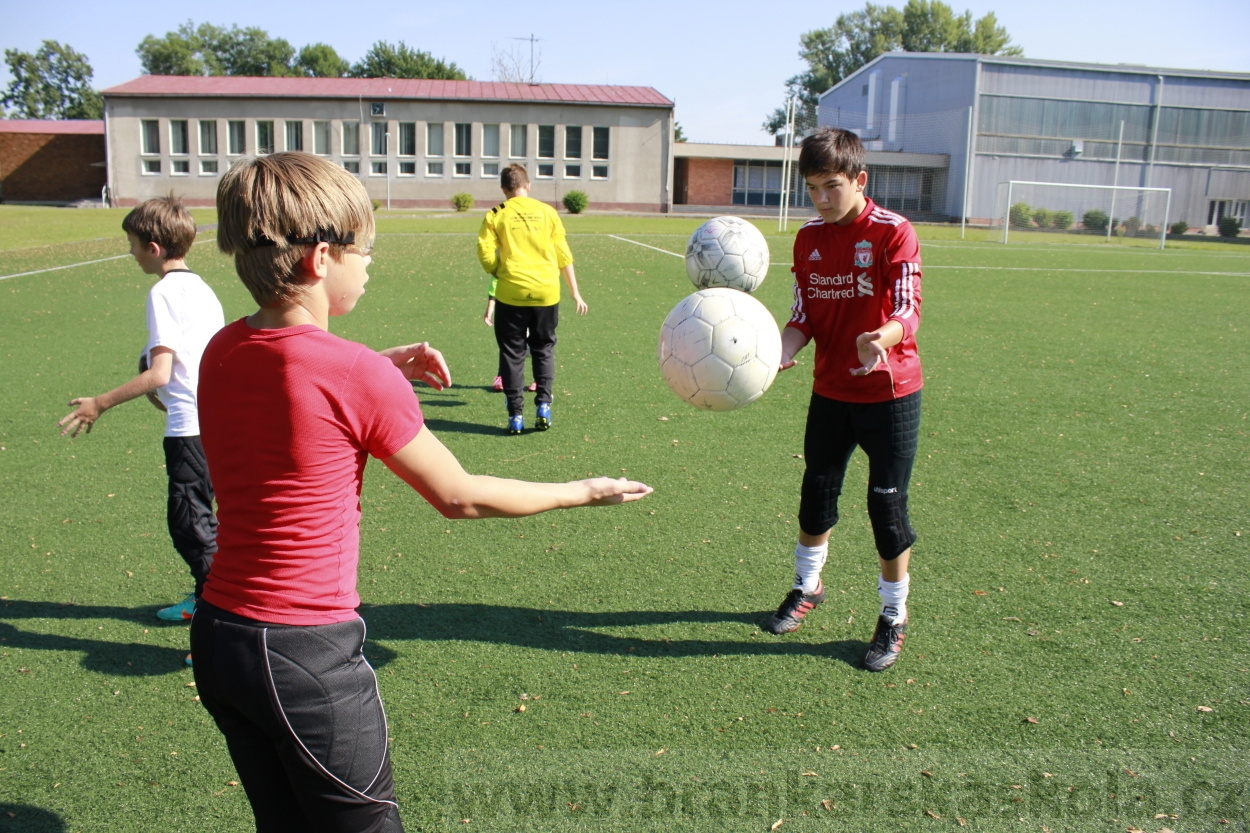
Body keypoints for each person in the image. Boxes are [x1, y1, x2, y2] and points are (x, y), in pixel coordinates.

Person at [194, 151, 651, 832]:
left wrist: (379, 365)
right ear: (321, 258)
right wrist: (582, 490)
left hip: (220, 639)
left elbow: (292, 386)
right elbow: (458, 495)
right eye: (363, 249)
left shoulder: (221, 349)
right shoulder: (352, 374)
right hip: (304, 654)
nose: (369, 263)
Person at [765, 127, 924, 673]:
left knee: (886, 508)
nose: (821, 199)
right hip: (831, 391)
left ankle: (893, 616)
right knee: (817, 493)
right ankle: (807, 586)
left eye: (831, 186)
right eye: (812, 188)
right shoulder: (807, 239)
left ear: (859, 179)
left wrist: (881, 339)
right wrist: (779, 351)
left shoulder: (893, 232)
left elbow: (908, 308)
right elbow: (802, 316)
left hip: (889, 394)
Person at [58, 194, 224, 643]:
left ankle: (220, 625)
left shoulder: (163, 292)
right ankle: (205, 598)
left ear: (153, 248)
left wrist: (100, 402)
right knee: (203, 521)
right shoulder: (203, 289)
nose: (130, 252)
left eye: (132, 244)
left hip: (189, 429)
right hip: (213, 423)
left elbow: (160, 372)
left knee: (191, 527)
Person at [477, 163, 587, 434]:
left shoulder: (495, 214)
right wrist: (574, 291)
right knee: (543, 348)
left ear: (503, 189)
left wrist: (497, 269)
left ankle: (516, 415)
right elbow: (563, 254)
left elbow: (485, 251)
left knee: (512, 353)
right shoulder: (548, 212)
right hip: (546, 293)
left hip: (511, 293)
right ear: (528, 186)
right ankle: (544, 405)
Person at [483, 276, 535, 393]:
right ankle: (502, 377)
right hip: (510, 304)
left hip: (536, 302)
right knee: (507, 342)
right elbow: (496, 281)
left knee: (537, 342)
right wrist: (490, 307)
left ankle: (540, 380)